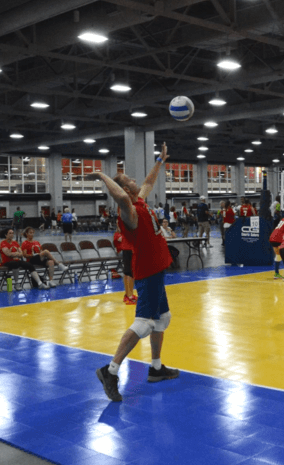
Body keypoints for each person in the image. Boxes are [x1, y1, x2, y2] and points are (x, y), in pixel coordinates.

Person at [88, 143, 179, 402]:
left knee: (163, 318)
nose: (136, 180)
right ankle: (111, 370)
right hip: (148, 272)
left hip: (157, 270)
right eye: (130, 179)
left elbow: (149, 181)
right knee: (144, 323)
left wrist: (160, 160)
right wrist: (104, 176)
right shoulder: (127, 210)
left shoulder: (140, 200)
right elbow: (120, 197)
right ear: (126, 188)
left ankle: (157, 368)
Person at [113, 223, 137, 305]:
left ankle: (130, 294)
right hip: (127, 250)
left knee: (132, 272)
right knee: (128, 272)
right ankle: (128, 296)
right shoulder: (119, 234)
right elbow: (117, 240)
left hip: (132, 250)